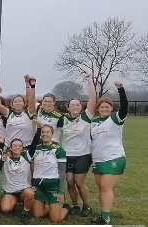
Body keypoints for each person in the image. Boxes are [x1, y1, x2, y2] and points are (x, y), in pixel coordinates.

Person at [89, 81, 128, 225]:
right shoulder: (94, 122)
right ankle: (103, 214)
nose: (104, 109)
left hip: (114, 158)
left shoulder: (115, 119)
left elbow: (124, 107)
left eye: (107, 107)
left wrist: (121, 90)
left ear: (111, 108)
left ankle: (105, 219)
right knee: (101, 188)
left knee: (106, 186)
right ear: (98, 109)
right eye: (102, 107)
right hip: (98, 160)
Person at [62, 73, 96, 217]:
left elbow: (93, 98)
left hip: (83, 154)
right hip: (67, 155)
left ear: (81, 107)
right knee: (69, 181)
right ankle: (75, 204)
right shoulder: (63, 120)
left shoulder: (86, 117)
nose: (75, 107)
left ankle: (86, 206)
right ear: (68, 108)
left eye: (77, 105)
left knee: (79, 181)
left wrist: (89, 80)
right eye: (72, 105)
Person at [28, 122, 68, 223]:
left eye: (47, 132)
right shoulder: (36, 149)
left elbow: (62, 172)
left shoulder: (59, 150)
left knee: (56, 219)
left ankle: (66, 208)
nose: (45, 134)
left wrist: (61, 191)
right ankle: (51, 208)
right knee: (37, 215)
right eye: (43, 132)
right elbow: (31, 166)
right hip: (38, 186)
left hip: (53, 186)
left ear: (52, 134)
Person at [0, 136, 38, 223]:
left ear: (22, 148)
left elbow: (34, 144)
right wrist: (2, 159)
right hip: (11, 191)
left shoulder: (26, 157)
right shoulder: (5, 158)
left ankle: (25, 212)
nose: (17, 147)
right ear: (10, 148)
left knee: (30, 193)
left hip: (23, 190)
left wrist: (38, 129)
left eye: (19, 146)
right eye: (15, 146)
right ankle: (12, 204)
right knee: (6, 209)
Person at [0, 75, 37, 148]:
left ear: (24, 104)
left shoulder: (28, 113)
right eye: (15, 102)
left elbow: (32, 100)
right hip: (10, 147)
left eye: (20, 101)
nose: (18, 103)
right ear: (12, 105)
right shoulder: (9, 113)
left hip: (25, 147)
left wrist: (32, 86)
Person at [36, 93, 66, 198]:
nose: (47, 103)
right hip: (39, 145)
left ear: (54, 102)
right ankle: (39, 194)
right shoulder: (38, 111)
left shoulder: (59, 117)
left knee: (54, 172)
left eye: (50, 101)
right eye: (45, 101)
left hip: (53, 147)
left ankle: (58, 194)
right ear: (42, 102)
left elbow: (64, 132)